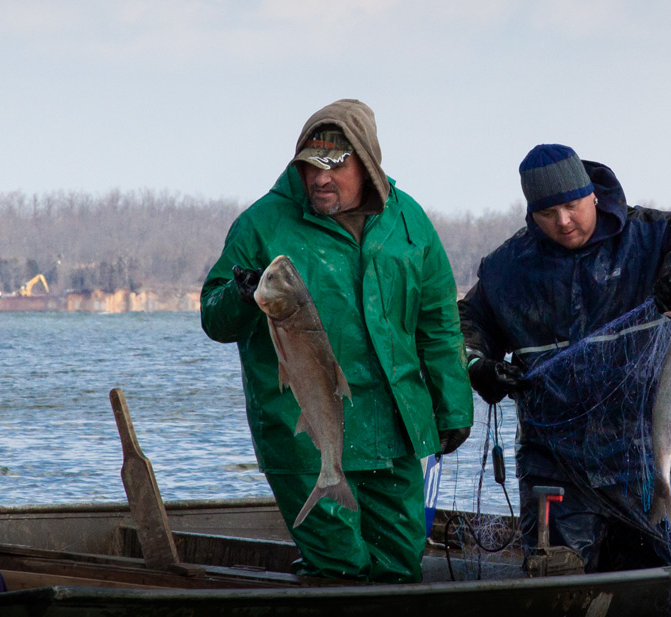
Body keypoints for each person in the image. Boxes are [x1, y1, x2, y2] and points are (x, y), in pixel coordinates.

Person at [200, 99, 473, 583]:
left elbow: (439, 322)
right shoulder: (262, 225)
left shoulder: (408, 221)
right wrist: (241, 297)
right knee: (338, 570)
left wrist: (453, 408)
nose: (320, 179)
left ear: (366, 164)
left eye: (335, 166)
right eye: (310, 167)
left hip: (394, 432)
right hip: (303, 437)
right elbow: (214, 320)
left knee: (399, 570)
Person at [456, 144, 671, 572]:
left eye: (572, 205)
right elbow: (463, 326)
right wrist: (479, 366)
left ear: (591, 194)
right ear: (530, 214)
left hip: (651, 455)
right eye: (547, 213)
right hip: (556, 465)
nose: (563, 221)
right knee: (558, 581)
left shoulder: (651, 235)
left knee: (665, 579)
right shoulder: (507, 268)